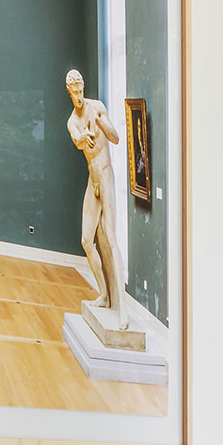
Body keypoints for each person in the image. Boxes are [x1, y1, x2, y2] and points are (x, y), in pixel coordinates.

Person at [65, 69, 126, 317]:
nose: (79, 96)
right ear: (69, 93)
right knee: (86, 241)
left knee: (110, 237)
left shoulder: (97, 107)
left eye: (81, 90)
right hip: (93, 181)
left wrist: (99, 122)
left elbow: (116, 137)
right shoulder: (72, 121)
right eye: (75, 93)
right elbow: (78, 139)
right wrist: (84, 136)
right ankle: (104, 294)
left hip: (106, 174)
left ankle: (122, 308)